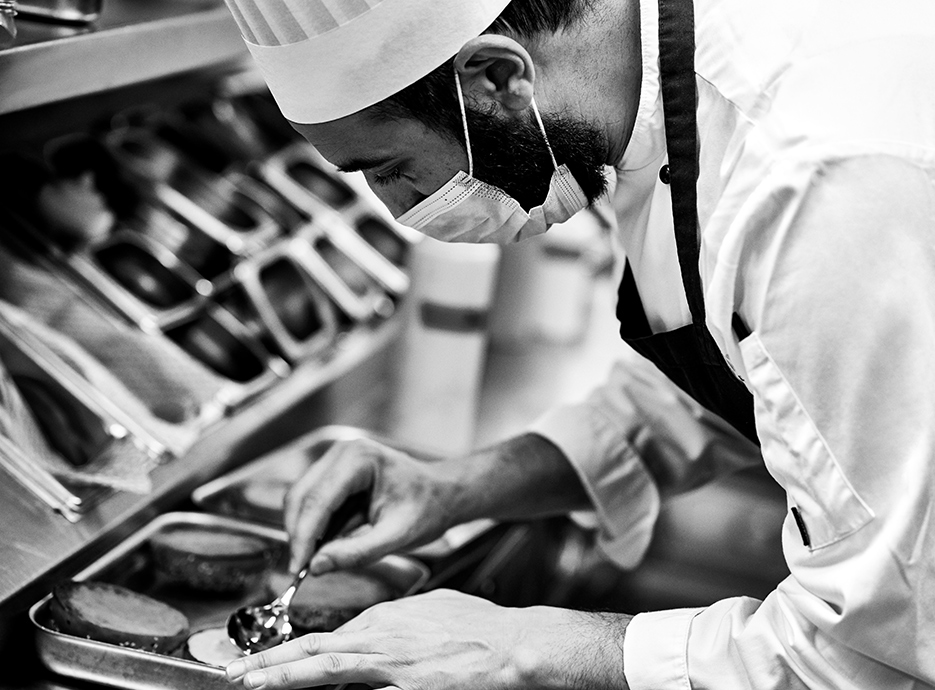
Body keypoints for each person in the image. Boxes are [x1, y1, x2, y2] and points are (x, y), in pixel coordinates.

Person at [218, 0, 935, 687]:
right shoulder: (640, 98)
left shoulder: (814, 181)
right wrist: (460, 488)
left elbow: (882, 651)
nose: (399, 213)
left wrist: (519, 648)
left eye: (390, 169)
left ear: (497, 78)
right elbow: (759, 367)